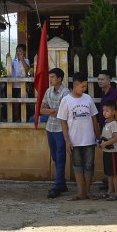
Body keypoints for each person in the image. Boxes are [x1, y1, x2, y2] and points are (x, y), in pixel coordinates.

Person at [57, 72, 99, 201]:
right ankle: (81, 192)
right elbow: (63, 121)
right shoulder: (66, 100)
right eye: (82, 86)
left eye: (85, 86)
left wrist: (97, 136)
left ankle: (88, 191)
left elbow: (94, 118)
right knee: (77, 165)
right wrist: (67, 140)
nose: (84, 89)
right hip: (74, 140)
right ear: (75, 85)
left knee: (89, 166)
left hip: (89, 140)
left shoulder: (88, 99)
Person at [39, 68, 70, 199]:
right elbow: (41, 110)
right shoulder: (48, 91)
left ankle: (57, 186)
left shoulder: (65, 92)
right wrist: (54, 110)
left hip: (61, 129)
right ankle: (61, 183)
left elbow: (63, 112)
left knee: (60, 156)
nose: (50, 79)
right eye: (49, 76)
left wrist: (50, 110)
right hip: (50, 127)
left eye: (52, 77)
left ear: (59, 79)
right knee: (55, 157)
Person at [95, 71, 117, 191]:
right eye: (98, 79)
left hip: (113, 136)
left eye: (102, 79)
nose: (100, 81)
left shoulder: (115, 95)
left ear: (109, 80)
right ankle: (110, 189)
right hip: (105, 133)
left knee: (114, 166)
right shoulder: (104, 94)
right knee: (108, 167)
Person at [98, 101, 117, 200]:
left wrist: (105, 144)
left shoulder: (113, 123)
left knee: (114, 173)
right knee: (109, 173)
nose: (104, 113)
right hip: (106, 151)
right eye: (103, 110)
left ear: (113, 112)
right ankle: (110, 191)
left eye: (107, 111)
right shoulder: (106, 122)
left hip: (112, 151)